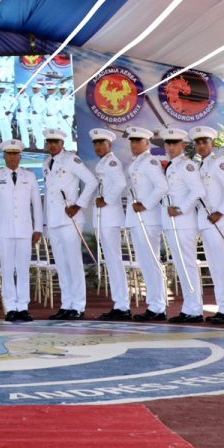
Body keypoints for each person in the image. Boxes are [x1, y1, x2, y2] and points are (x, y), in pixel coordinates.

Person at [0, 139, 41, 322]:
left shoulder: (30, 176)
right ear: (4, 156)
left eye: (15, 154)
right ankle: (10, 306)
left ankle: (23, 306)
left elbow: (37, 204)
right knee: (7, 269)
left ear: (20, 156)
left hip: (25, 229)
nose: (12, 157)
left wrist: (38, 227)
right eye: (9, 154)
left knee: (23, 269)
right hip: (3, 229)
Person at [42, 129, 96, 320]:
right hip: (54, 220)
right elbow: (49, 195)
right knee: (62, 265)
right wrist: (45, 222)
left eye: (56, 142)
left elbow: (91, 181)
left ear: (62, 143)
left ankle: (78, 306)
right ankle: (66, 304)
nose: (53, 145)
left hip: (70, 218)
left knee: (74, 263)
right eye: (50, 142)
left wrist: (78, 205)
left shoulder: (71, 160)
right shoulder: (46, 163)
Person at [189, 126, 224, 325]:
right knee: (215, 266)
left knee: (222, 265)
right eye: (198, 143)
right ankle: (223, 307)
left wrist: (221, 212)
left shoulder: (220, 163)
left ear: (213, 144)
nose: (201, 146)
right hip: (205, 221)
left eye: (205, 142)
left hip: (218, 220)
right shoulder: (199, 166)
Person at [157, 129, 206, 324]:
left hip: (183, 223)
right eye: (168, 143)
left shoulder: (186, 166)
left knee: (188, 265)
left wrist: (181, 209)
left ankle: (195, 310)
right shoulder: (169, 165)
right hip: (172, 223)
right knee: (182, 266)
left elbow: (198, 190)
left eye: (174, 143)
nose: (170, 147)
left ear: (183, 146)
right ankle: (189, 308)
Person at [125, 127, 170, 321]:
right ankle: (154, 305)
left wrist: (145, 204)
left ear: (147, 143)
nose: (134, 144)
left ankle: (158, 306)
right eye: (132, 141)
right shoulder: (136, 163)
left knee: (151, 263)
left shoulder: (149, 162)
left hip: (148, 219)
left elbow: (162, 186)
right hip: (138, 219)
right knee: (145, 263)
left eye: (138, 141)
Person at [90, 129, 133, 321]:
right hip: (104, 217)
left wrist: (106, 199)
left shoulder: (112, 162)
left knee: (114, 261)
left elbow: (120, 184)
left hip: (111, 217)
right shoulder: (103, 162)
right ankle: (119, 303)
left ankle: (122, 305)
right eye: (96, 144)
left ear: (110, 145)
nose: (99, 147)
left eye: (102, 143)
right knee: (111, 261)